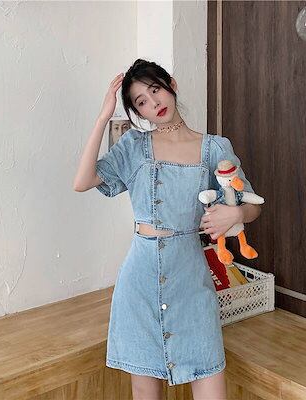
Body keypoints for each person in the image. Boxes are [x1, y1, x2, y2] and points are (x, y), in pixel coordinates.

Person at [73, 59, 261, 400]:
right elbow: (83, 181)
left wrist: (234, 212)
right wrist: (103, 117)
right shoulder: (134, 146)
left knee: (209, 378)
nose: (153, 103)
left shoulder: (215, 148)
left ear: (171, 85)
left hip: (190, 280)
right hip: (139, 284)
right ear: (137, 112)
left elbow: (252, 205)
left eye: (155, 90)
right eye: (141, 102)